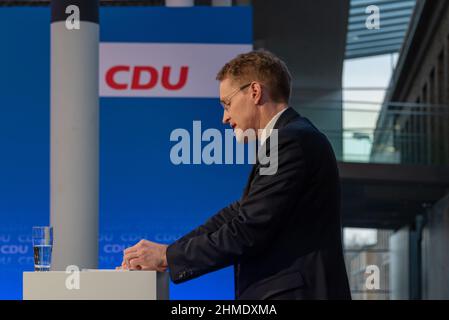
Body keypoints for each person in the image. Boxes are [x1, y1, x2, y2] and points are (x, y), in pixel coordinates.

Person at [119, 50, 351, 300]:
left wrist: (167, 256)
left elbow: (248, 230)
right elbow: (239, 213)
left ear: (254, 92)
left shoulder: (290, 141)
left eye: (227, 103)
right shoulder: (289, 139)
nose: (224, 117)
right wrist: (170, 253)